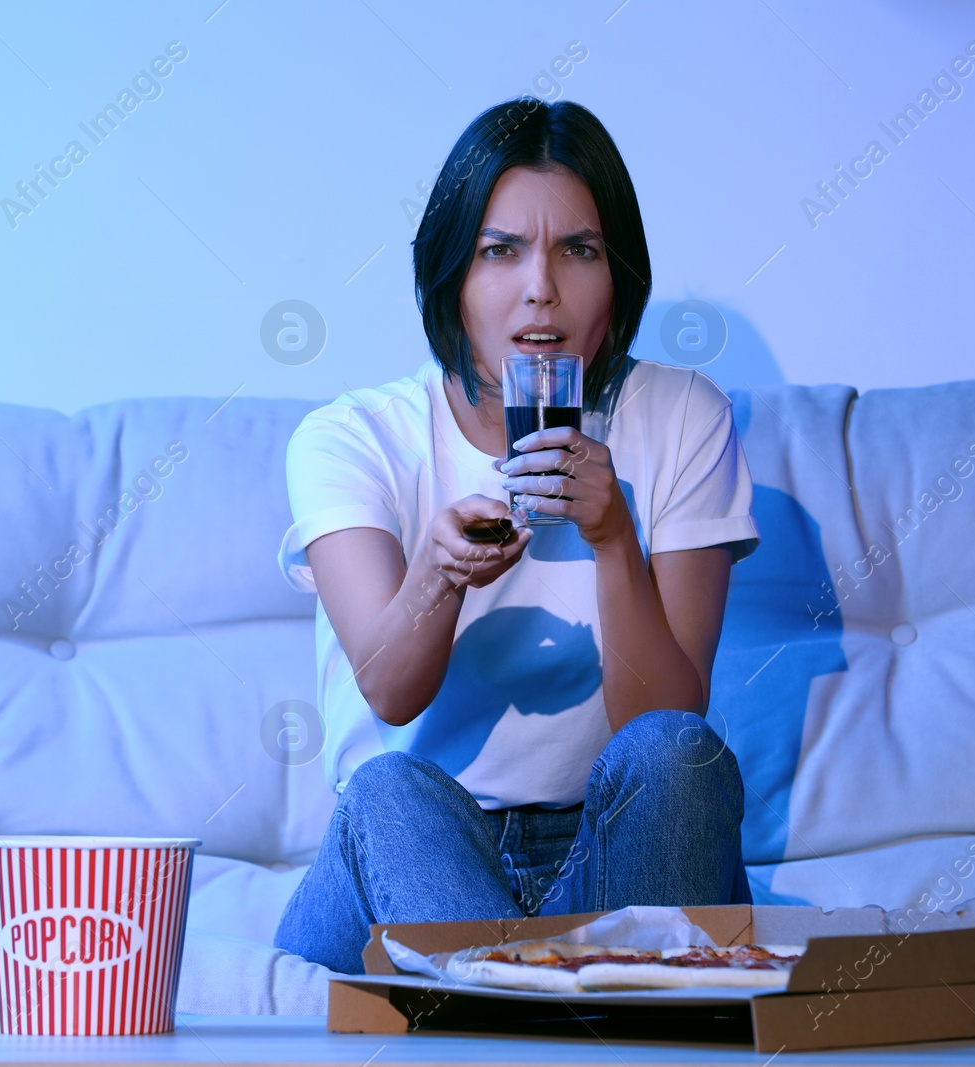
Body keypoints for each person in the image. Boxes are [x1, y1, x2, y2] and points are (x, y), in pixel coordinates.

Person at [272, 98, 759, 975]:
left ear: (619, 283)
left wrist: (615, 539)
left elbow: (664, 724)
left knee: (677, 755)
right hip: (414, 863)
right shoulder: (351, 439)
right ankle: (537, 1013)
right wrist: (439, 571)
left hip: (612, 856)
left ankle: (516, 1011)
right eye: (501, 251)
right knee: (388, 790)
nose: (542, 286)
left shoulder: (683, 417)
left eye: (578, 250)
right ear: (452, 279)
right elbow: (389, 692)